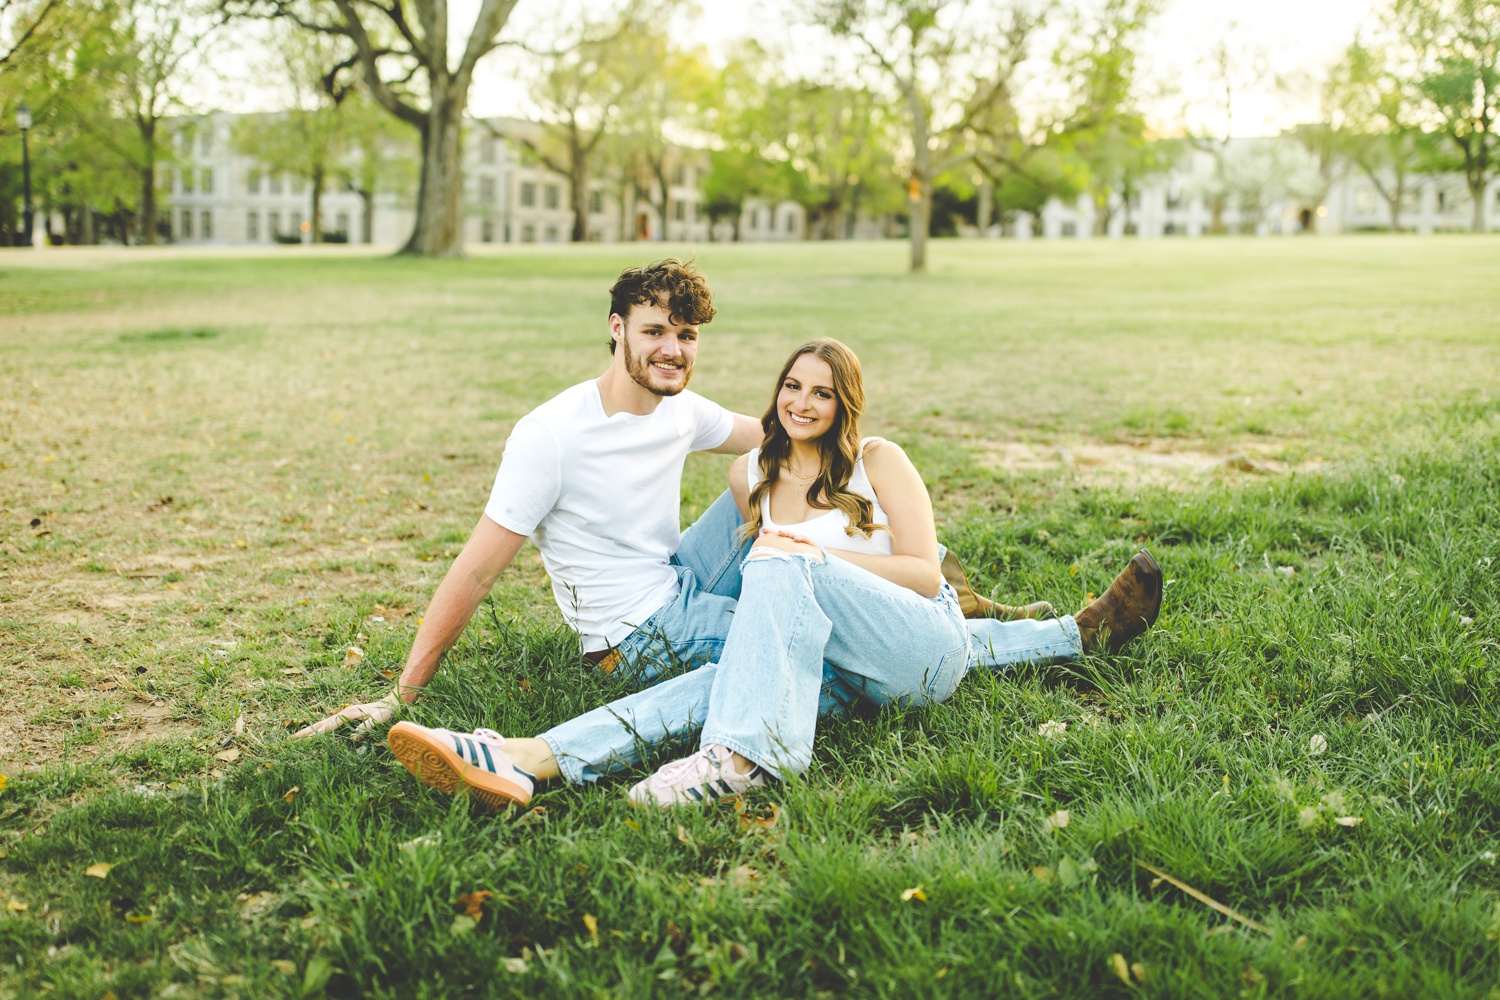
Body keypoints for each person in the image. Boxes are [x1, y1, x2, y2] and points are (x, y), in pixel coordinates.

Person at [294, 258, 1048, 746]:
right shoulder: (551, 435)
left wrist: (883, 477)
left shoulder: (681, 408)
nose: (672, 350)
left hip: (681, 572)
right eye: (655, 331)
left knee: (780, 471)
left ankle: (931, 584)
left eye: (685, 335)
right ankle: (985, 629)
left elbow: (795, 437)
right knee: (808, 628)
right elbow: (473, 573)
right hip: (638, 631)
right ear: (617, 330)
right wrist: (401, 695)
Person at [384, 339, 1163, 809]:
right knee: (735, 666)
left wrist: (810, 554)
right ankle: (527, 757)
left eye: (822, 392)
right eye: (792, 387)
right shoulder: (751, 476)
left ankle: (745, 757)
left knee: (781, 567)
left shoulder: (882, 461)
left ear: (844, 403)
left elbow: (927, 577)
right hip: (845, 662)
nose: (802, 401)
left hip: (923, 647)